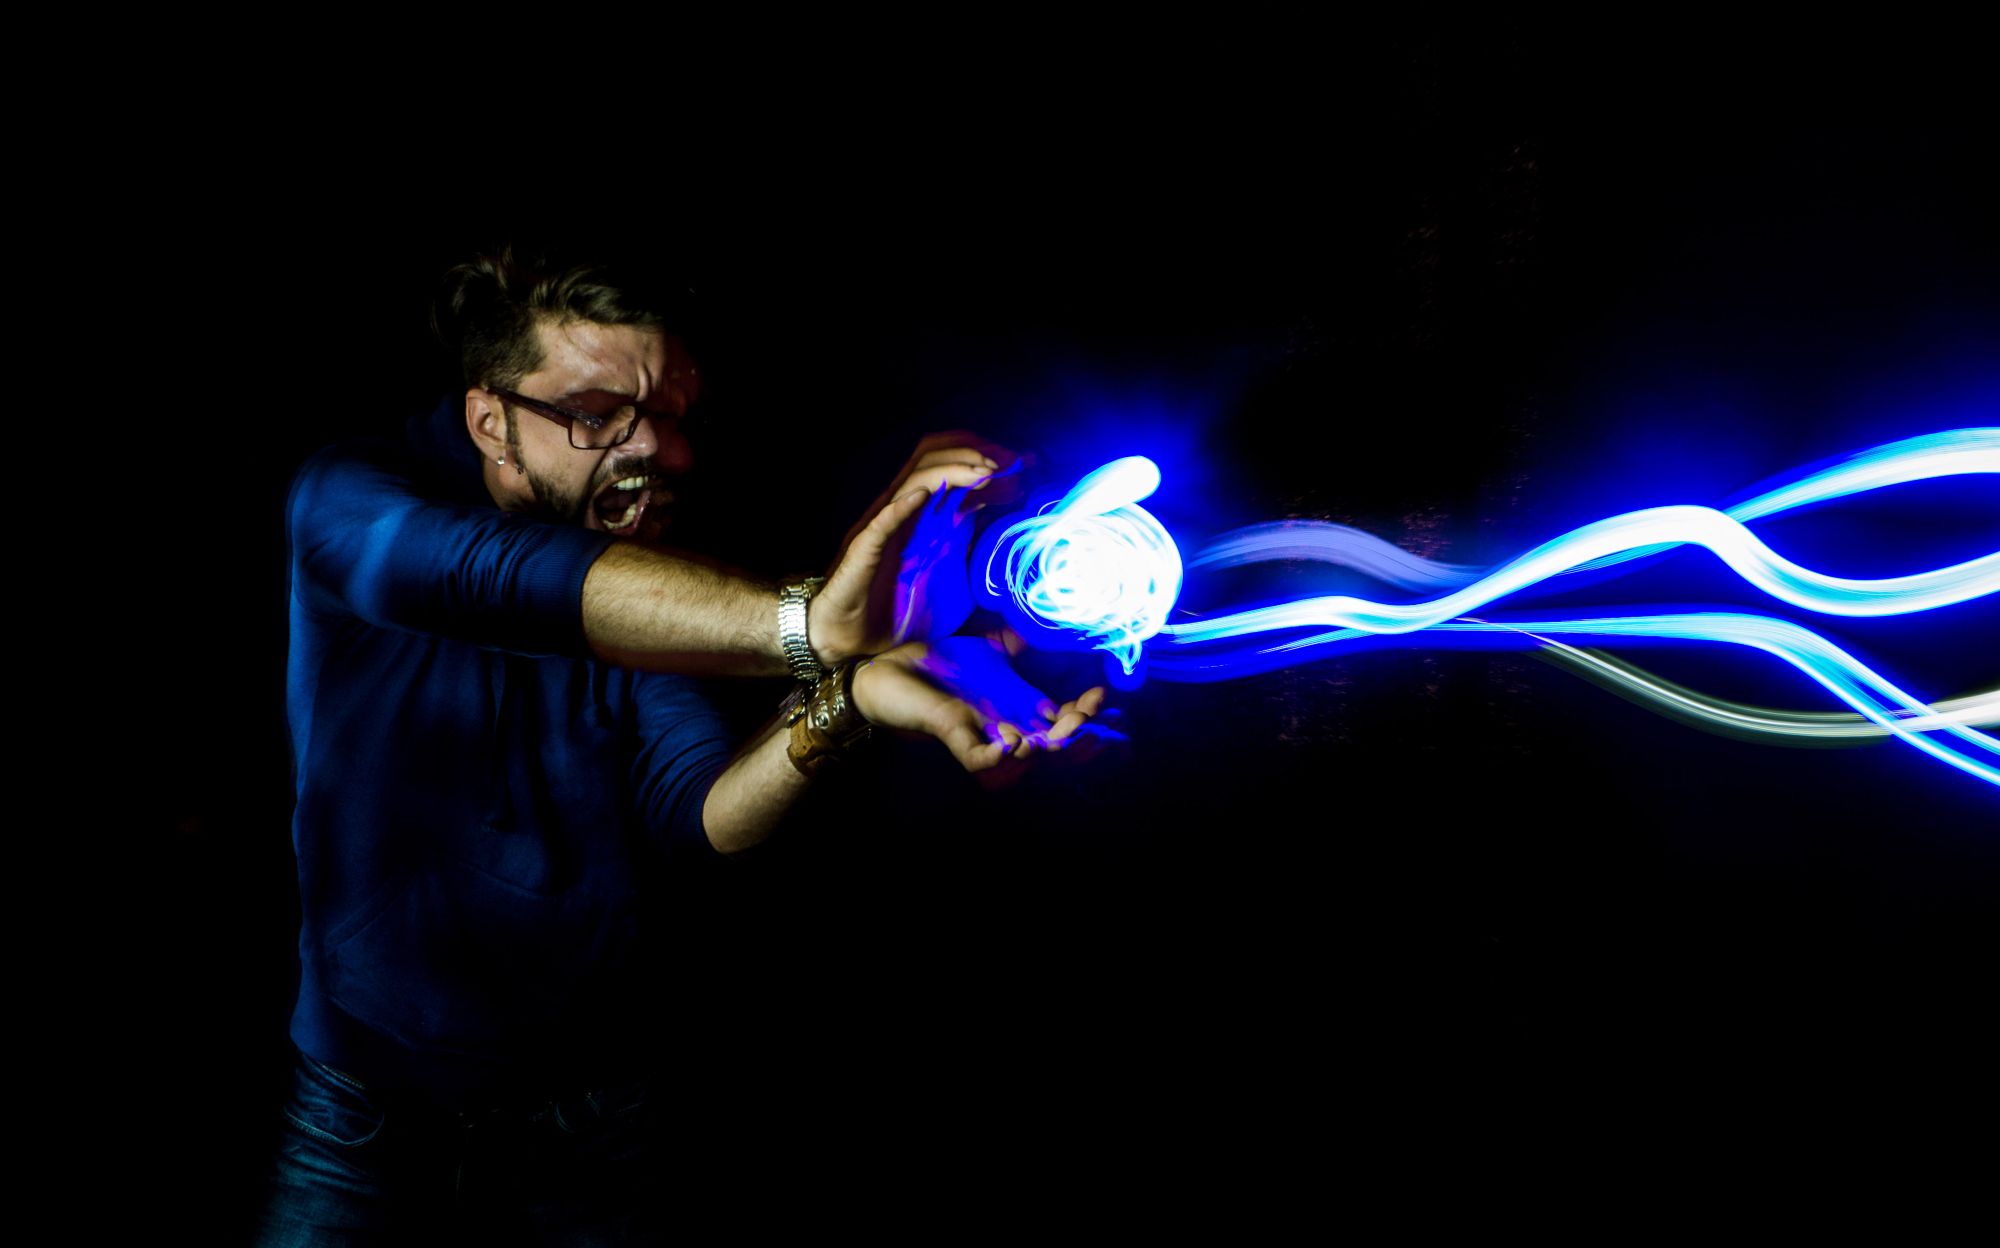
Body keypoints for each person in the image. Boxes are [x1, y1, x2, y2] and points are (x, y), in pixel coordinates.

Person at [252, 243, 1107, 1243]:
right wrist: (805, 630)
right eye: (593, 413)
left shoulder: (662, 577)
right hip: (359, 1115)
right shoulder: (353, 497)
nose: (650, 447)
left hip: (594, 1124)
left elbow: (700, 816)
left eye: (670, 413)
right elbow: (452, 571)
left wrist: (848, 697)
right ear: (489, 418)